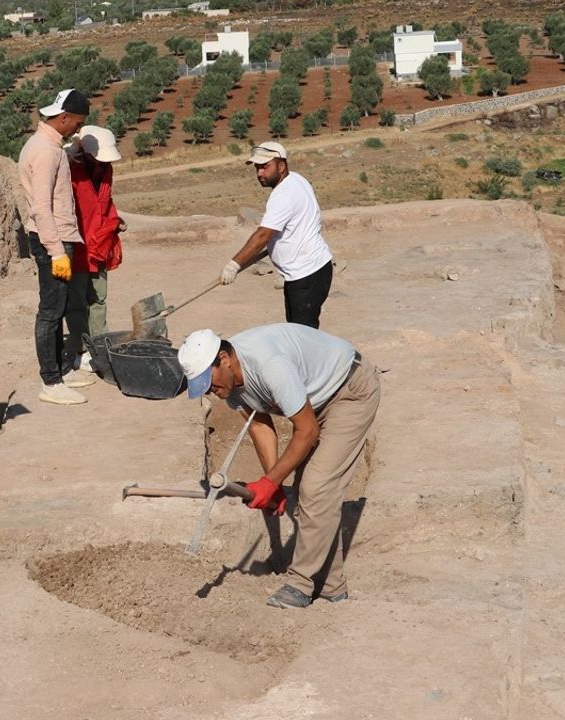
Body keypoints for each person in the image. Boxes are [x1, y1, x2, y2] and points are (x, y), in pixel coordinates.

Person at [177, 323, 380, 608]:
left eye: (208, 382)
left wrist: (270, 481)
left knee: (316, 487)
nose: (211, 391)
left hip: (348, 392)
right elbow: (260, 425)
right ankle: (332, 588)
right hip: (315, 401)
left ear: (223, 359)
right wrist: (274, 486)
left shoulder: (269, 365)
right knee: (310, 491)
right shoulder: (229, 383)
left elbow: (306, 430)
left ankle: (300, 583)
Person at [18, 88, 96, 405]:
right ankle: (50, 382)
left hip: (56, 237)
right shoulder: (46, 151)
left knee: (59, 307)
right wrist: (56, 250)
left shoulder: (49, 146)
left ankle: (61, 371)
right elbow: (41, 207)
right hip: (52, 239)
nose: (77, 129)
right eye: (77, 123)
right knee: (51, 311)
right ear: (64, 118)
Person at [219, 142, 334, 329]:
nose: (259, 173)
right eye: (257, 168)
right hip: (306, 272)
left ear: (281, 166)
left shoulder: (284, 195)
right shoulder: (296, 180)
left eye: (265, 167)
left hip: (306, 275)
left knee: (303, 334)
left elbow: (263, 235)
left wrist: (234, 265)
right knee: (297, 329)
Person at [67, 125, 125, 366]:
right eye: (98, 160)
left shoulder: (106, 170)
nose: (102, 165)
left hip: (100, 244)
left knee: (99, 298)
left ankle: (100, 344)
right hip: (79, 247)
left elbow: (104, 202)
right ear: (87, 154)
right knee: (77, 302)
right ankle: (80, 349)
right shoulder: (69, 171)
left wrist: (115, 219)